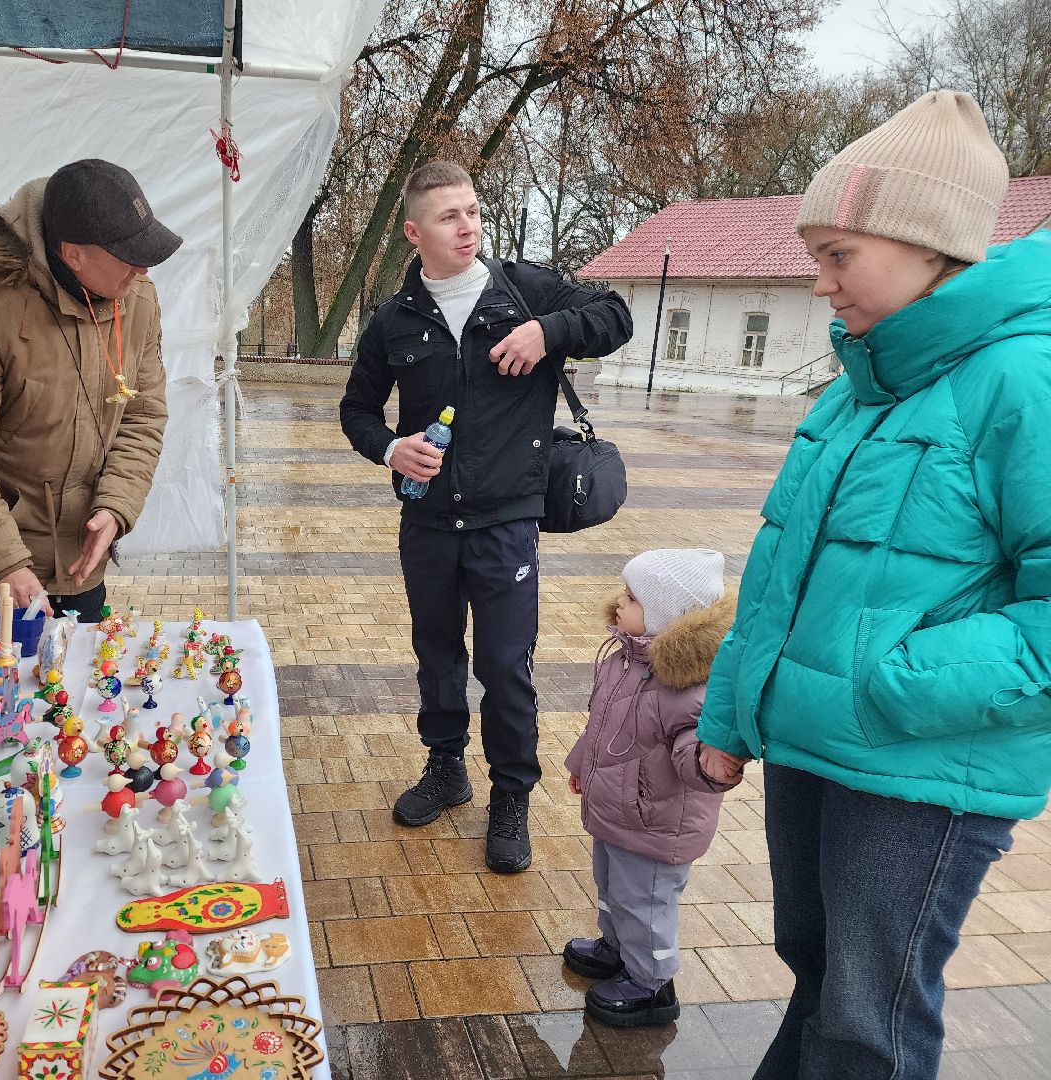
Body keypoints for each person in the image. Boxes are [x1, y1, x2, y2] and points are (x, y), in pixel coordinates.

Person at [695, 91, 1051, 1078]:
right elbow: (781, 577)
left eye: (837, 254)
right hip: (813, 752)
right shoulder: (858, 389)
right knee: (818, 976)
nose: (818, 284)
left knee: (869, 1025)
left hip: (917, 774)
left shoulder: (1027, 382)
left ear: (926, 245)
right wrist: (730, 717)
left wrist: (888, 675)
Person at [340, 161, 632, 872]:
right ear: (415, 232)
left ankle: (512, 795)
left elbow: (616, 315)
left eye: (472, 211)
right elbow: (354, 410)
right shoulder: (395, 319)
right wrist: (390, 449)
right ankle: (447, 769)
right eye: (449, 216)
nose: (467, 225)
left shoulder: (523, 288)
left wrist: (548, 330)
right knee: (437, 655)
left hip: (507, 523)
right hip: (429, 522)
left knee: (507, 667)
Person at [0, 159, 177, 659]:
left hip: (81, 561)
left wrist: (115, 506)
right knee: (9, 721)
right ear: (72, 254)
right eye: (128, 255)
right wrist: (5, 564)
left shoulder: (136, 297)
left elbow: (142, 415)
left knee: (78, 709)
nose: (143, 269)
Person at [563, 550, 737, 1027]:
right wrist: (583, 762)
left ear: (666, 615)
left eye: (633, 597)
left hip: (657, 825)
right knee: (614, 886)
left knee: (646, 902)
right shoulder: (624, 661)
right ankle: (617, 948)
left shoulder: (689, 689)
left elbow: (693, 755)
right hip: (618, 811)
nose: (620, 601)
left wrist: (712, 763)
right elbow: (601, 724)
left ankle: (652, 983)